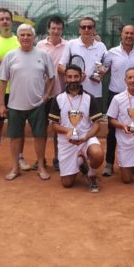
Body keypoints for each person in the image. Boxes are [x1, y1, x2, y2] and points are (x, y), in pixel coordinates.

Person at [0, 24, 55, 181]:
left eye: (28, 35)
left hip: (37, 105)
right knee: (15, 137)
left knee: (40, 136)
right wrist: (2, 104)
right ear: (17, 37)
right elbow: (2, 82)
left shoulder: (43, 55)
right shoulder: (10, 55)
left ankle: (41, 166)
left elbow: (52, 78)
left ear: (34, 37)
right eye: (22, 35)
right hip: (15, 105)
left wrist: (46, 96)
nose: (25, 38)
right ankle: (15, 167)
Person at [0, 8, 29, 173]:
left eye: (7, 19)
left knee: (19, 127)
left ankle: (20, 157)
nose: (4, 21)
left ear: (11, 22)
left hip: (18, 91)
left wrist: (9, 59)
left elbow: (26, 59)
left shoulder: (19, 40)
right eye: (1, 19)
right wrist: (17, 58)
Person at [102, 24, 134, 177]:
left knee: (132, 129)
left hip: (133, 98)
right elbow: (101, 71)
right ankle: (109, 163)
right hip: (115, 96)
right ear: (121, 35)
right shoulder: (110, 53)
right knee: (112, 130)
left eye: (131, 33)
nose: (129, 36)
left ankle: (131, 163)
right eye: (126, 33)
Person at [49, 64, 104, 192]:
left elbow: (97, 124)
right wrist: (68, 130)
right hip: (67, 142)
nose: (73, 79)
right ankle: (81, 163)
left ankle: (91, 175)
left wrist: (86, 137)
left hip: (86, 138)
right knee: (67, 183)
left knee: (98, 154)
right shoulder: (58, 98)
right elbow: (54, 126)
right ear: (65, 79)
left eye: (76, 76)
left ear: (81, 77)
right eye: (69, 77)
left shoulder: (90, 98)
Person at [35, 15, 68, 171]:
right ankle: (40, 160)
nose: (56, 31)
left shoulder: (68, 46)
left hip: (61, 94)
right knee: (41, 128)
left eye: (59, 28)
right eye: (53, 28)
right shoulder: (39, 46)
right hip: (43, 94)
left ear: (62, 30)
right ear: (48, 29)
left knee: (58, 129)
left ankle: (58, 158)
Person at [58, 17, 107, 106]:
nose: (86, 29)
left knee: (95, 120)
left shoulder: (101, 46)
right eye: (83, 27)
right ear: (79, 30)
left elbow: (105, 65)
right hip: (74, 93)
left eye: (89, 27)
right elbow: (60, 66)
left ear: (94, 29)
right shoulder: (71, 44)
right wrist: (76, 75)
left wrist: (102, 72)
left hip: (95, 94)